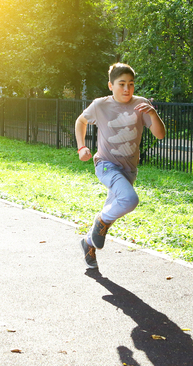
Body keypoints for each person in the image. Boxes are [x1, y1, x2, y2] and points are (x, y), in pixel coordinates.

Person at [75, 63, 166, 269]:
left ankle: (88, 243)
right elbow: (81, 121)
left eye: (131, 84)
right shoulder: (100, 105)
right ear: (111, 85)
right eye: (122, 84)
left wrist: (152, 114)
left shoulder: (141, 105)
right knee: (129, 199)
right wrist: (81, 147)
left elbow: (160, 134)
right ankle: (100, 222)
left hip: (128, 170)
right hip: (106, 165)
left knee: (113, 210)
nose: (127, 89)